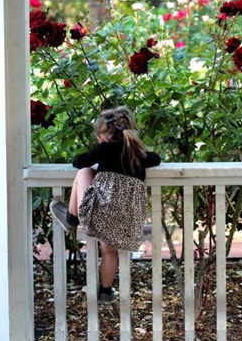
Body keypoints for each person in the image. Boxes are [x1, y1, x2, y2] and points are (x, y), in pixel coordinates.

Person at [50, 106, 161, 303]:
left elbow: (79, 161)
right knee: (110, 252)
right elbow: (156, 159)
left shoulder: (105, 149)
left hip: (101, 210)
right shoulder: (137, 153)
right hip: (125, 217)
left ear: (104, 135)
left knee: (84, 172)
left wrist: (98, 157)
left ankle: (72, 218)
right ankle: (106, 290)